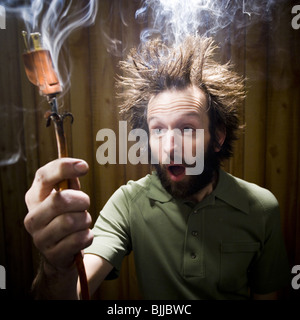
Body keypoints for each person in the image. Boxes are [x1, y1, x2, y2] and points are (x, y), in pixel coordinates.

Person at [24, 36, 290, 300]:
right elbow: (72, 294)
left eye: (187, 128)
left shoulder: (261, 208)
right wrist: (56, 266)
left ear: (218, 136)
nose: (170, 147)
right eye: (158, 129)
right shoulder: (128, 203)